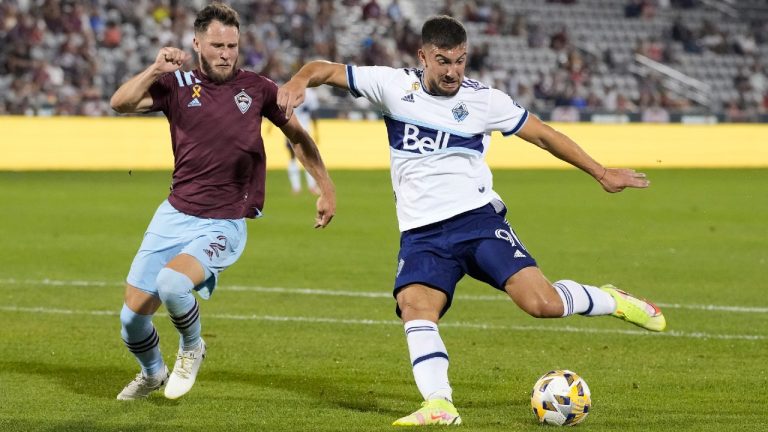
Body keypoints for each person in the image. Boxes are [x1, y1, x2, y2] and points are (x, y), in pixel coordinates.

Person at [277, 15, 664, 426]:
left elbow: (545, 135)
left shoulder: (485, 101)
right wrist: (299, 81)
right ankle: (439, 404)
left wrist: (601, 173)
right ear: (422, 56)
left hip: (477, 222)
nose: (453, 71)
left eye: (461, 61)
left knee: (543, 304)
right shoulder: (393, 86)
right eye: (443, 61)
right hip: (421, 233)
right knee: (415, 307)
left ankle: (612, 299)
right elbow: (323, 69)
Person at [109, 2, 335, 401]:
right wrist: (154, 70)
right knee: (130, 320)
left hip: (223, 222)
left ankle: (193, 346)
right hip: (174, 213)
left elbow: (298, 136)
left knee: (173, 283)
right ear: (197, 43)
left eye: (232, 45)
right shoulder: (175, 85)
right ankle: (152, 372)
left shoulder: (259, 89)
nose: (226, 53)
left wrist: (325, 187)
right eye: (217, 45)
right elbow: (120, 103)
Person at [286, 86, 321, 194]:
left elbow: (280, 110)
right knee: (309, 157)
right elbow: (313, 114)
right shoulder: (310, 93)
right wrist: (316, 130)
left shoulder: (288, 90)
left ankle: (296, 187)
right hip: (305, 129)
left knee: (292, 157)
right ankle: (312, 186)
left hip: (289, 128)